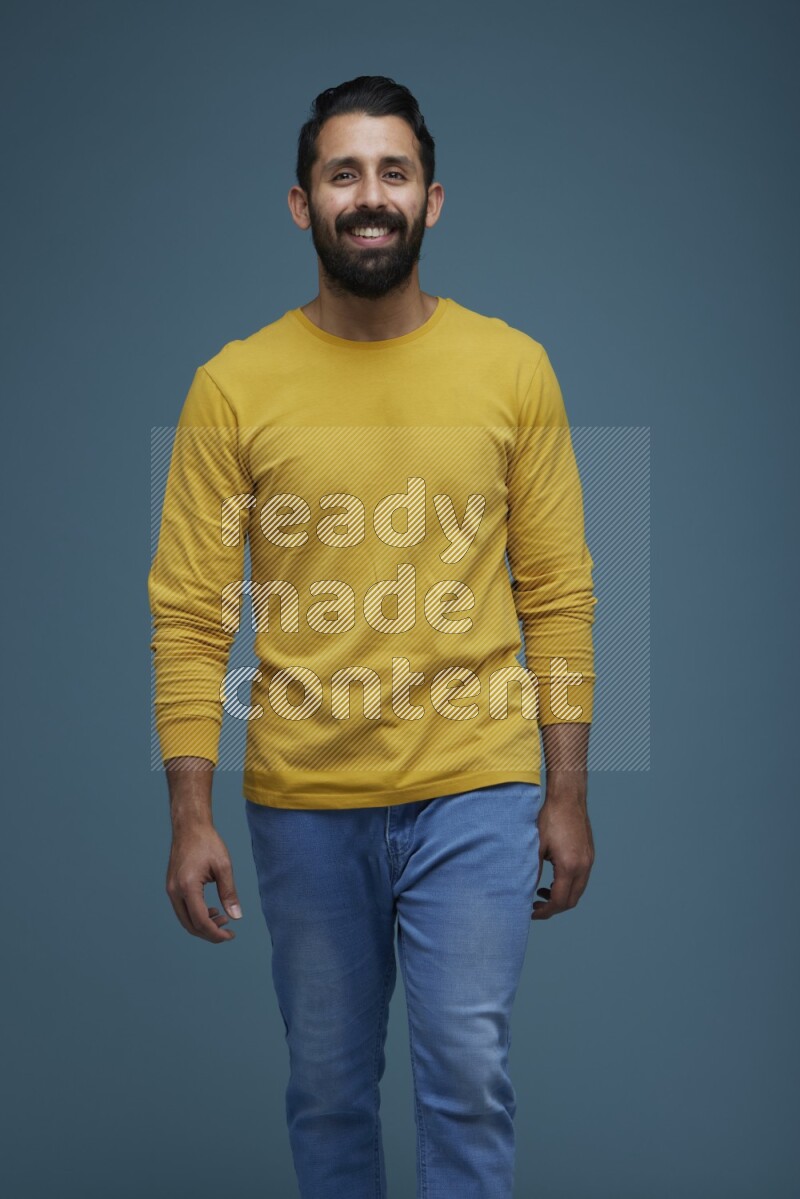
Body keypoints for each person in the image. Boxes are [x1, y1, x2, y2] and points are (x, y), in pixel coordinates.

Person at [149, 74, 598, 1199]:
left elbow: (561, 587)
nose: (368, 194)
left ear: (430, 200)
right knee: (328, 1087)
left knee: (469, 1076)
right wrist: (190, 813)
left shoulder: (512, 368)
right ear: (300, 204)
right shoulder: (232, 385)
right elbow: (192, 610)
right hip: (302, 800)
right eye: (342, 172)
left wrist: (565, 789)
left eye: (391, 172)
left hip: (476, 783)